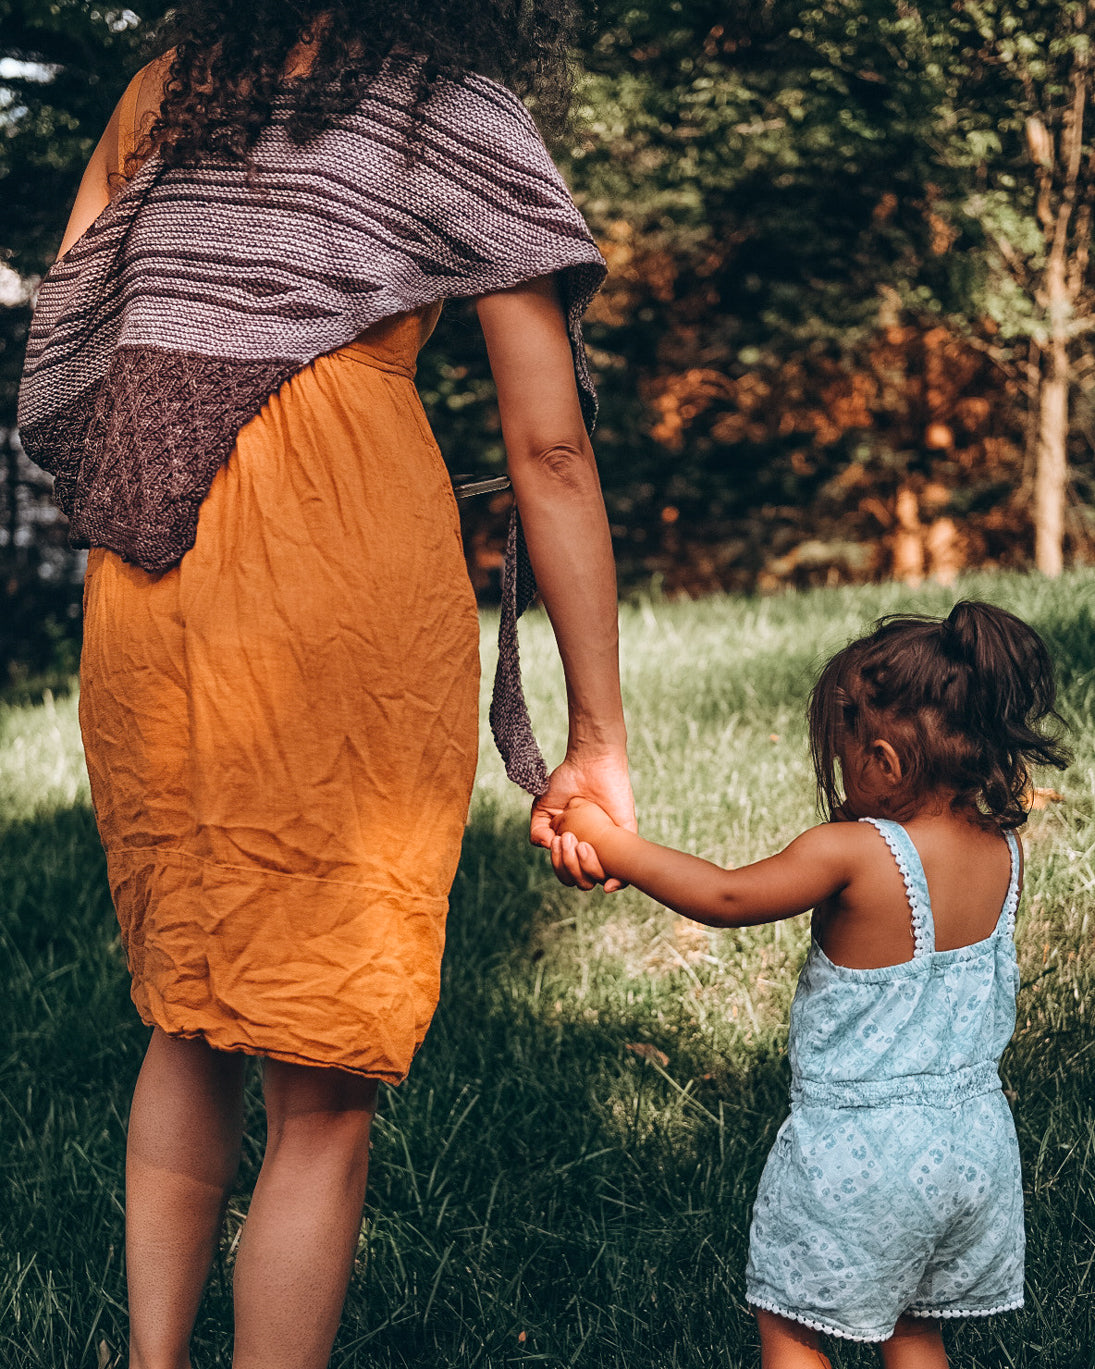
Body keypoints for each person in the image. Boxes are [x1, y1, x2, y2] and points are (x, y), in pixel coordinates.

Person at [19, 6, 634, 1368]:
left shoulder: (163, 93)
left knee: (188, 1011)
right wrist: (593, 734)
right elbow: (549, 451)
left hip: (155, 583)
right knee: (322, 1075)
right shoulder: (451, 110)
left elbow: (67, 346)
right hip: (338, 573)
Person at [552, 600, 1070, 1368]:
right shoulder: (1002, 848)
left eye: (843, 752)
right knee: (914, 1326)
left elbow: (725, 897)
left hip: (860, 1153)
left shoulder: (855, 851)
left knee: (790, 1328)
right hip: (974, 1147)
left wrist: (609, 842)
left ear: (886, 762)